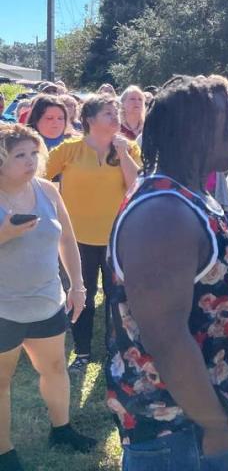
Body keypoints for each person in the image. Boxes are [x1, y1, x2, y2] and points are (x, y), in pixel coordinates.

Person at [104, 75, 228, 471]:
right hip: (178, 434)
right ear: (197, 131)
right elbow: (166, 337)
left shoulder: (188, 196)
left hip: (197, 422)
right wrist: (215, 423)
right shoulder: (163, 214)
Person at [0, 124, 94, 471]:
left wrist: (78, 285)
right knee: (1, 382)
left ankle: (62, 429)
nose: (30, 161)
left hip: (46, 301)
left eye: (33, 153)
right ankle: (4, 452)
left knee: (55, 368)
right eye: (19, 155)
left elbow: (67, 240)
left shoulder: (47, 191)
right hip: (3, 308)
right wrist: (5, 234)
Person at [45, 94, 141, 372]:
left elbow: (135, 186)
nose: (116, 118)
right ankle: (82, 353)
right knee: (81, 296)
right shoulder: (69, 149)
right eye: (109, 113)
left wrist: (122, 153)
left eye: (116, 113)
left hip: (118, 238)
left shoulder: (129, 148)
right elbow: (38, 178)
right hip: (76, 240)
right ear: (90, 119)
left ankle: (117, 351)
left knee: (118, 298)